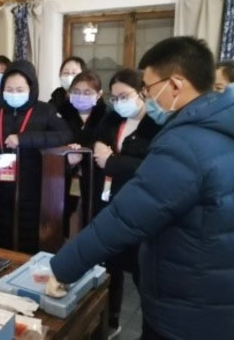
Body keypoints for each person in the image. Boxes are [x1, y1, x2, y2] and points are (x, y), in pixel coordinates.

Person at [49, 37, 234, 340]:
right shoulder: (221, 125)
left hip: (188, 305)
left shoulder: (186, 143)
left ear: (175, 85)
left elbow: (125, 217)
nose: (147, 97)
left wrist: (63, 267)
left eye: (148, 88)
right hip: (216, 292)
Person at [92, 69, 161, 338]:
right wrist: (98, 148)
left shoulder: (156, 123)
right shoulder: (112, 119)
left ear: (142, 92)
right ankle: (111, 321)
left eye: (125, 96)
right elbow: (98, 141)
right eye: (115, 97)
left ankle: (152, 328)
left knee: (144, 273)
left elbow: (154, 166)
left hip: (141, 208)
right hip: (110, 204)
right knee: (110, 267)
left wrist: (113, 161)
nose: (119, 102)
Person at [0, 60, 72, 253]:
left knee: (27, 246)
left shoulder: (45, 110)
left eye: (20, 89)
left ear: (31, 88)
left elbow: (65, 135)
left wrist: (24, 139)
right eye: (9, 89)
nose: (14, 93)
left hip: (32, 190)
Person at [57, 70, 108, 231]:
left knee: (92, 216)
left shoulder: (107, 116)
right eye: (76, 92)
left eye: (87, 93)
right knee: (65, 217)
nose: (81, 96)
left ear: (99, 94)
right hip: (66, 175)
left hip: (96, 176)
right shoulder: (60, 114)